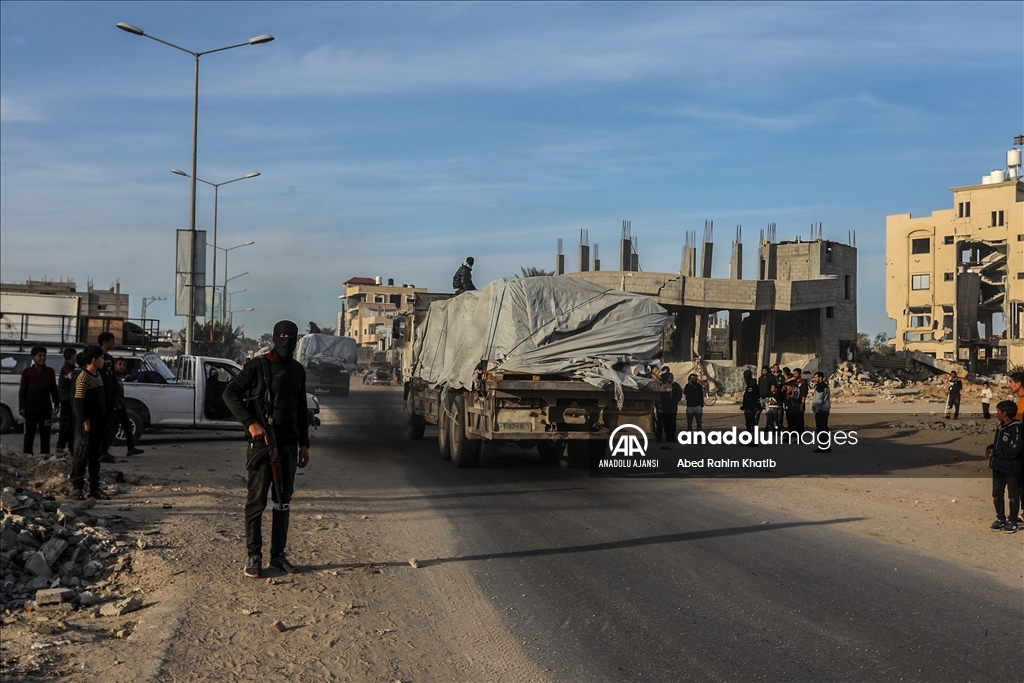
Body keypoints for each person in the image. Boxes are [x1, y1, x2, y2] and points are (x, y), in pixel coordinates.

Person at [223, 320, 311, 579]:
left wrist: (304, 444)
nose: (287, 340)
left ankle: (278, 556)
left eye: (292, 336)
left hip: (289, 445)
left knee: (283, 502)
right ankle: (254, 556)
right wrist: (250, 423)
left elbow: (301, 409)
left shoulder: (297, 370)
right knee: (257, 502)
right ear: (275, 337)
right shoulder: (256, 366)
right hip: (262, 445)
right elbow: (230, 394)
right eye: (283, 335)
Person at [70, 346, 109, 500]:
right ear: (94, 360)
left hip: (98, 421)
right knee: (82, 453)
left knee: (95, 455)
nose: (103, 361)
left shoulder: (97, 375)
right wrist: (85, 420)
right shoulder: (83, 377)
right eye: (101, 358)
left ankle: (94, 487)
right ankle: (77, 487)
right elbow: (78, 402)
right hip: (87, 422)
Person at [985, 400, 1022, 534]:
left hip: (1012, 468)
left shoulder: (1017, 428)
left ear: (1005, 413)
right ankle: (1001, 519)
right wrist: (990, 448)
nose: (997, 413)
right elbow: (998, 445)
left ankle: (1012, 521)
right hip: (998, 466)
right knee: (997, 493)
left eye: (998, 411)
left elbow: (1015, 450)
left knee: (1013, 495)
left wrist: (997, 452)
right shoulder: (1000, 427)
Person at [19, 346, 60, 456]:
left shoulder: (50, 371)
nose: (42, 358)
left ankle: (45, 456)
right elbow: (22, 390)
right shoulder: (26, 372)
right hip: (30, 409)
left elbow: (53, 389)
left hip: (45, 409)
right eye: (39, 356)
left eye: (44, 356)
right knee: (29, 434)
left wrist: (57, 402)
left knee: (45, 434)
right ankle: (27, 455)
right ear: (33, 357)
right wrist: (21, 407)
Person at [112, 358, 144, 457]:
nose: (122, 366)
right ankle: (103, 452)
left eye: (124, 365)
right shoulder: (112, 378)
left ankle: (131, 448)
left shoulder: (118, 377)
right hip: (116, 405)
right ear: (115, 365)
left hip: (121, 405)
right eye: (120, 364)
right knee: (113, 429)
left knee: (127, 426)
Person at [96, 332, 118, 462]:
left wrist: (115, 397)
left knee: (110, 425)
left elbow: (112, 379)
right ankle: (99, 452)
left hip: (109, 397)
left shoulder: (109, 358)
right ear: (104, 343)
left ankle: (104, 451)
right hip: (100, 397)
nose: (113, 343)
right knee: (101, 426)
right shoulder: (97, 357)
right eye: (111, 341)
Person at [55, 347, 78, 456]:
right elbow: (73, 378)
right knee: (66, 424)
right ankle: (61, 445)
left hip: (69, 399)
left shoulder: (71, 367)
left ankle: (70, 445)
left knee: (71, 424)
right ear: (71, 356)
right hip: (66, 400)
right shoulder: (67, 368)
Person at [655, 370, 681, 441]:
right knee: (661, 422)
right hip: (662, 407)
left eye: (672, 377)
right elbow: (657, 396)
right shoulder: (660, 385)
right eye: (670, 377)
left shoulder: (675, 385)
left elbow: (679, 394)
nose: (671, 378)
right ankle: (659, 437)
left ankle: (670, 437)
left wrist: (674, 402)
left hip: (671, 407)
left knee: (671, 423)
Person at [811, 371, 831, 452]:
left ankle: (823, 446)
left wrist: (816, 409)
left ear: (820, 378)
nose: (814, 379)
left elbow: (819, 400)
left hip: (821, 411)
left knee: (821, 429)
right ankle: (827, 446)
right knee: (824, 428)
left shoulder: (820, 387)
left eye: (816, 377)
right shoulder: (826, 386)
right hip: (825, 410)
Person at [740, 369, 760, 440]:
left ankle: (755, 440)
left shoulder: (753, 385)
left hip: (752, 407)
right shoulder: (748, 385)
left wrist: (756, 406)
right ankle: (748, 440)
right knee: (748, 424)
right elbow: (746, 396)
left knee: (752, 424)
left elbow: (756, 396)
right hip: (747, 407)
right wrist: (743, 405)